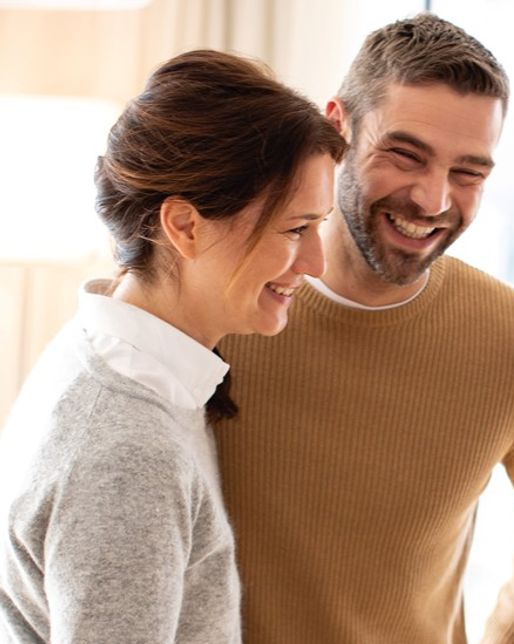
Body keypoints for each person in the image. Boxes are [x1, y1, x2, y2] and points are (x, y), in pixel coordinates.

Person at [212, 13, 514, 643]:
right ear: (338, 128)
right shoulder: (223, 305)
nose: (433, 200)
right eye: (406, 156)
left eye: (468, 173)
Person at [0, 50, 346, 642]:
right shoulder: (126, 450)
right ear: (185, 227)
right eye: (294, 229)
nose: (315, 263)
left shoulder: (110, 355)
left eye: (319, 226)